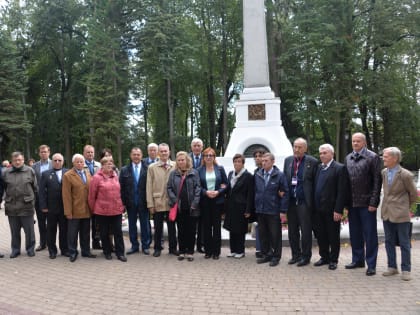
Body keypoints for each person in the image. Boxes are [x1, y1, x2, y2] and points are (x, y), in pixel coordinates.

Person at [344, 132, 382, 276]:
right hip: (353, 204)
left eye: (358, 141)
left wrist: (374, 202)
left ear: (364, 142)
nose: (355, 143)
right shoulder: (348, 158)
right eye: (353, 141)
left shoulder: (372, 157)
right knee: (355, 234)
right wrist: (346, 203)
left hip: (367, 204)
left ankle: (371, 264)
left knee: (370, 235)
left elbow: (377, 181)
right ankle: (357, 259)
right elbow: (346, 182)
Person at [381, 147, 416, 281]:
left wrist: (405, 207)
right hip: (386, 212)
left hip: (401, 214)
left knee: (404, 242)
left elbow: (413, 194)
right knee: (389, 241)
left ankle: (406, 270)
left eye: (386, 156)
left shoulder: (405, 174)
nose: (383, 158)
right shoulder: (384, 172)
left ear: (395, 158)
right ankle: (392, 267)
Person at [313, 144, 349, 270]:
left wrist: (338, 210)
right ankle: (324, 257)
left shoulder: (339, 168)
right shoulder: (318, 168)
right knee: (321, 235)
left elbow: (342, 191)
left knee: (333, 236)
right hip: (318, 209)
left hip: (332, 210)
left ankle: (333, 259)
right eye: (321, 153)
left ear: (332, 154)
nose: (322, 155)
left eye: (325, 153)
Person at [283, 138, 318, 267]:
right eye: (295, 147)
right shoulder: (288, 161)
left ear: (305, 149)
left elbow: (315, 183)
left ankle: (305, 256)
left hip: (304, 202)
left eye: (299, 147)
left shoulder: (312, 162)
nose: (296, 149)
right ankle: (295, 255)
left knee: (306, 231)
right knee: (292, 231)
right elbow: (285, 179)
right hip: (291, 201)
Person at [88, 157, 127, 262]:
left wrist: (122, 205)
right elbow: (92, 195)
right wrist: (93, 210)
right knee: (104, 233)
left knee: (118, 232)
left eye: (111, 164)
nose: (109, 165)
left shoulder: (116, 176)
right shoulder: (96, 178)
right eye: (107, 164)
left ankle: (120, 253)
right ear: (102, 165)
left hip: (116, 210)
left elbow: (120, 192)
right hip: (102, 211)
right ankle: (107, 252)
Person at [255, 153, 289, 267]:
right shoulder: (258, 174)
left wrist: (283, 210)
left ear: (273, 162)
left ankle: (276, 256)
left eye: (266, 161)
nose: (263, 163)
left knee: (275, 235)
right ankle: (266, 254)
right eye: (262, 161)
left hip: (273, 210)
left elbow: (285, 193)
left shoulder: (279, 175)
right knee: (263, 235)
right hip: (261, 210)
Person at [2, 152, 37, 258]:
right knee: (14, 231)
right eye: (15, 160)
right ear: (12, 161)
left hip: (26, 206)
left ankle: (30, 249)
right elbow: (3, 188)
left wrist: (32, 202)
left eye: (20, 160)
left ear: (23, 160)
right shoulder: (6, 172)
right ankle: (15, 250)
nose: (17, 162)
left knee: (29, 231)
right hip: (12, 207)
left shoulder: (30, 171)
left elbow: (35, 188)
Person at [167, 151, 201, 261]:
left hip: (192, 207)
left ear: (187, 160)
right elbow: (169, 188)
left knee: (191, 230)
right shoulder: (173, 173)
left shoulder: (194, 173)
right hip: (179, 207)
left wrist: (195, 203)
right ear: (177, 161)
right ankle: (182, 251)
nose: (181, 162)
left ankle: (190, 252)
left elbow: (198, 189)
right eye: (179, 160)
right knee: (181, 230)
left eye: (183, 159)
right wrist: (174, 200)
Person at [63, 153, 96, 262]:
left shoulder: (87, 173)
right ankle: (72, 252)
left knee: (85, 233)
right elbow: (66, 195)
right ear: (73, 163)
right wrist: (68, 212)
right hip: (74, 210)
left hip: (86, 210)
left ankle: (86, 251)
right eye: (77, 162)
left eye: (81, 162)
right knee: (72, 234)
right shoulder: (68, 175)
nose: (80, 163)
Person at [146, 143, 178, 257]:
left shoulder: (175, 165)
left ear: (169, 152)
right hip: (158, 201)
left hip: (171, 202)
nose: (164, 153)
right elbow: (149, 186)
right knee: (158, 227)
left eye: (166, 151)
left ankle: (173, 248)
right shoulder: (152, 167)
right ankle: (157, 248)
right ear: (158, 153)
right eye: (162, 151)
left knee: (172, 227)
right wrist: (150, 204)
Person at [197, 147, 228, 260]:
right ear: (203, 158)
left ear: (214, 157)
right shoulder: (199, 170)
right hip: (205, 202)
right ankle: (208, 251)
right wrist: (205, 192)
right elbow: (197, 186)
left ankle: (216, 252)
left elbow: (226, 184)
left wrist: (218, 192)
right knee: (206, 227)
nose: (209, 157)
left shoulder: (220, 169)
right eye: (206, 155)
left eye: (211, 155)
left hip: (217, 202)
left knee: (216, 227)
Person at [120, 147, 151, 255]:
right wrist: (123, 203)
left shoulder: (148, 168)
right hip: (130, 202)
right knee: (132, 225)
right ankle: (134, 246)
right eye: (134, 154)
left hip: (144, 202)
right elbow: (121, 188)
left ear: (141, 156)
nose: (136, 156)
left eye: (138, 154)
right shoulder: (124, 170)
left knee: (145, 225)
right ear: (131, 155)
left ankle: (145, 246)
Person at [38, 153, 69, 259]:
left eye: (59, 160)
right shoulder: (46, 174)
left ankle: (64, 250)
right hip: (51, 208)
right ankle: (52, 251)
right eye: (55, 160)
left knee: (64, 230)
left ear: (63, 161)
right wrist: (43, 206)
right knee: (51, 230)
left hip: (64, 208)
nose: (57, 162)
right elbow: (41, 192)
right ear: (52, 162)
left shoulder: (68, 172)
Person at [223, 154, 254, 259]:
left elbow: (250, 194)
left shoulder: (248, 176)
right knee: (232, 229)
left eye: (239, 162)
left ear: (243, 163)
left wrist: (248, 209)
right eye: (235, 162)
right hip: (231, 206)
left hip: (242, 207)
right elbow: (228, 189)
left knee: (240, 230)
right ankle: (233, 250)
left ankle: (240, 251)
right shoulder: (231, 174)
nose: (236, 164)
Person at [32, 144, 53, 252]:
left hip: (51, 199)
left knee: (51, 222)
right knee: (41, 222)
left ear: (49, 152)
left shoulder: (54, 163)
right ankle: (42, 243)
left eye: (45, 151)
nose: (43, 153)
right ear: (39, 153)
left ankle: (50, 243)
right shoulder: (34, 166)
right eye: (41, 152)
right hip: (39, 198)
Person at [83, 145, 101, 250]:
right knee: (86, 223)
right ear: (84, 153)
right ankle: (85, 245)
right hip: (85, 198)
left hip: (97, 198)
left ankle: (96, 243)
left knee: (96, 223)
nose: (90, 154)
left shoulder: (98, 165)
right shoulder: (81, 163)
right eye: (88, 152)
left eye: (92, 152)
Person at [189, 137, 204, 253]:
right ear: (191, 147)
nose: (197, 147)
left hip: (203, 195)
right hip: (189, 196)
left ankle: (201, 245)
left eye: (199, 145)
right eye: (195, 145)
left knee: (202, 224)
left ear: (202, 147)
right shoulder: (186, 158)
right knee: (191, 223)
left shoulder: (207, 157)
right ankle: (190, 246)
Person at [253, 148, 266, 258]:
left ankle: (268, 249)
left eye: (260, 156)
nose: (258, 158)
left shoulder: (272, 171)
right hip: (258, 205)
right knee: (259, 227)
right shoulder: (255, 172)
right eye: (256, 156)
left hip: (269, 205)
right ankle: (260, 249)